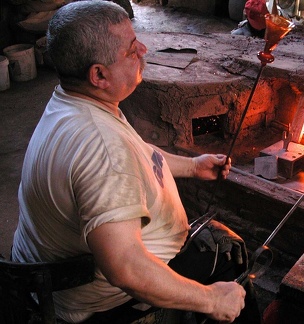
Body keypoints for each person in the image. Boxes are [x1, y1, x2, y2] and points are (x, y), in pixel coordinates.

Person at [11, 1, 260, 323]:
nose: (144, 48)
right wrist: (211, 299)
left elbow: (140, 152)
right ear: (99, 74)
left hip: (52, 280)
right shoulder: (103, 148)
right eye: (131, 50)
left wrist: (192, 166)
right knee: (231, 257)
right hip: (94, 302)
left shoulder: (73, 101)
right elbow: (125, 267)